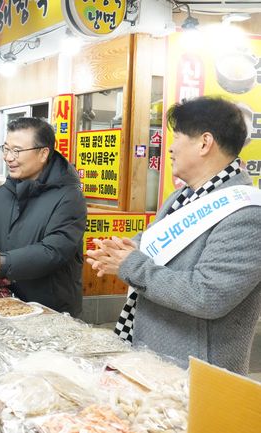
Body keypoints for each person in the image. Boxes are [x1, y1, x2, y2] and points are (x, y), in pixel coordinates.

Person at [87, 96, 261, 375]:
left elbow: (207, 295)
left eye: (177, 137)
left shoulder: (247, 212)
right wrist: (123, 249)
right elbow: (156, 242)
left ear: (204, 143)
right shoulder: (183, 195)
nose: (169, 148)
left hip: (195, 371)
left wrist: (131, 264)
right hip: (155, 355)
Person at [0, 117, 87, 316]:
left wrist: (2, 262)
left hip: (50, 311)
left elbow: (53, 251)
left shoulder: (69, 198)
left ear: (43, 153)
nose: (8, 157)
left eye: (16, 151)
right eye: (6, 149)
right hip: (6, 304)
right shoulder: (4, 192)